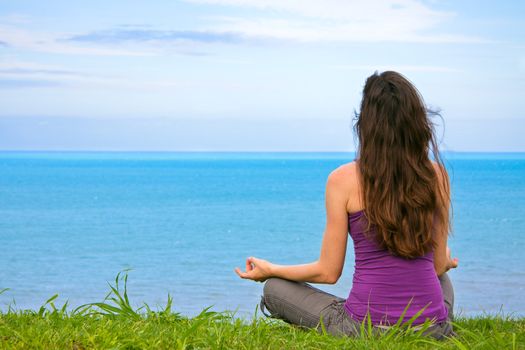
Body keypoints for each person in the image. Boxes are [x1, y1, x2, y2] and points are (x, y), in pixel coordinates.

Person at [234, 71, 459, 339]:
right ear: (417, 123)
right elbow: (436, 266)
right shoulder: (437, 176)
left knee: (274, 288)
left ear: (365, 124)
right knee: (442, 278)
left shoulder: (342, 180)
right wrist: (444, 259)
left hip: (364, 329)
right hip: (432, 329)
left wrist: (271, 269)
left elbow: (328, 272)